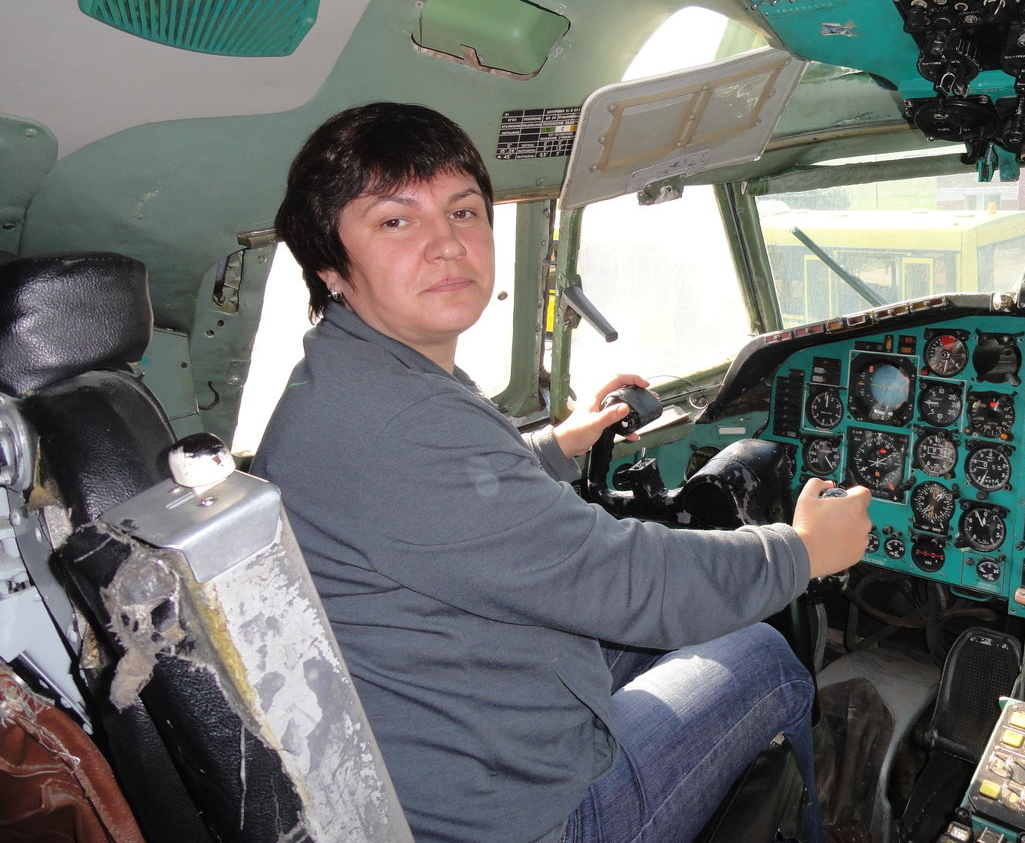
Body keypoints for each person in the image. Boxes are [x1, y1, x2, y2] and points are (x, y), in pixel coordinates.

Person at [253, 101, 873, 843]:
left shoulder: (353, 377)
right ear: (329, 264)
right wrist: (804, 551)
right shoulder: (398, 423)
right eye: (395, 221)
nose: (447, 244)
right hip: (512, 818)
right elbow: (626, 578)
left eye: (463, 211)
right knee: (764, 655)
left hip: (446, 722)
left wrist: (560, 443)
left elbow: (451, 499)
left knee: (684, 627)